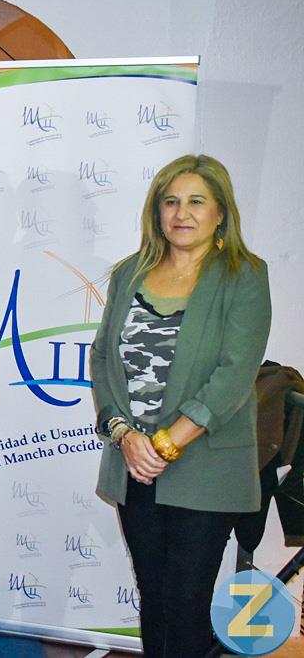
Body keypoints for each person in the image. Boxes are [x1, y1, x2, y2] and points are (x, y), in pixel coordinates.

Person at [91, 154, 271, 657]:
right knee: (154, 598)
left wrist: (166, 444)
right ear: (157, 211)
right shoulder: (129, 273)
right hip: (134, 465)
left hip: (205, 466)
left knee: (186, 605)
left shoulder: (244, 275)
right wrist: (125, 436)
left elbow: (235, 373)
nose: (182, 213)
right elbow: (103, 357)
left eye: (196, 201)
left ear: (220, 212)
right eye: (170, 202)